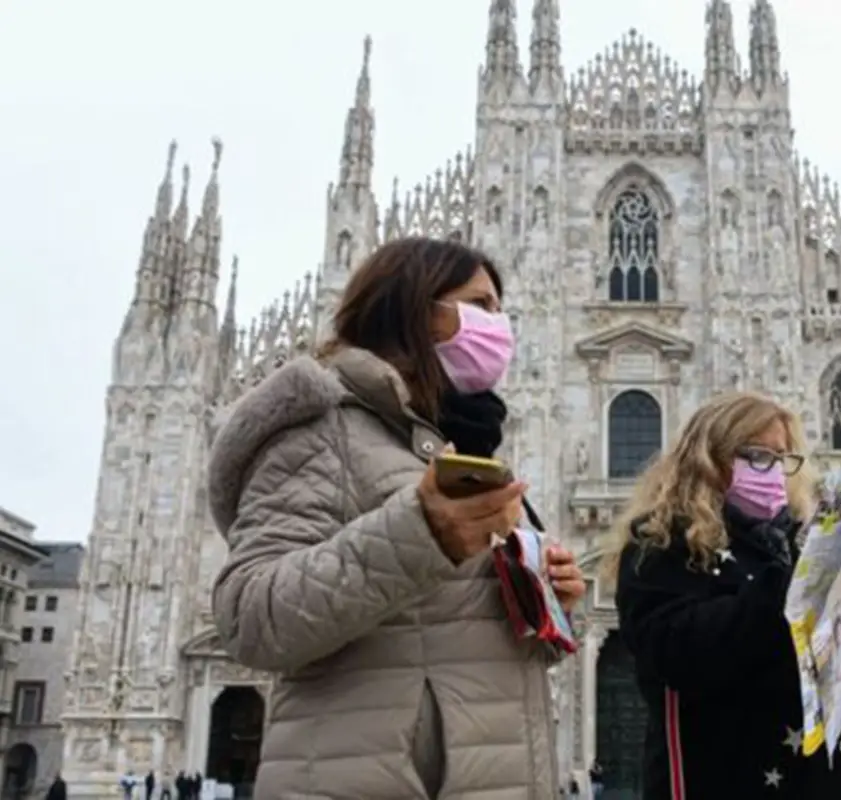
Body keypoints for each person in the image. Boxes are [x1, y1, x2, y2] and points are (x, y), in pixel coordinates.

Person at [208, 237, 586, 799]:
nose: (499, 327)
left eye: (499, 311)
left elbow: (444, 636)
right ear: (414, 309)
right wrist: (420, 533)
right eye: (480, 306)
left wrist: (545, 603)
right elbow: (250, 617)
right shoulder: (323, 429)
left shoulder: (458, 443)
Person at [608, 392, 841, 799]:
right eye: (757, 456)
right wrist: (790, 585)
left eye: (782, 457)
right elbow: (675, 652)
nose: (773, 470)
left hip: (822, 778)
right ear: (709, 458)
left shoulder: (801, 539)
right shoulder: (659, 543)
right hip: (725, 777)